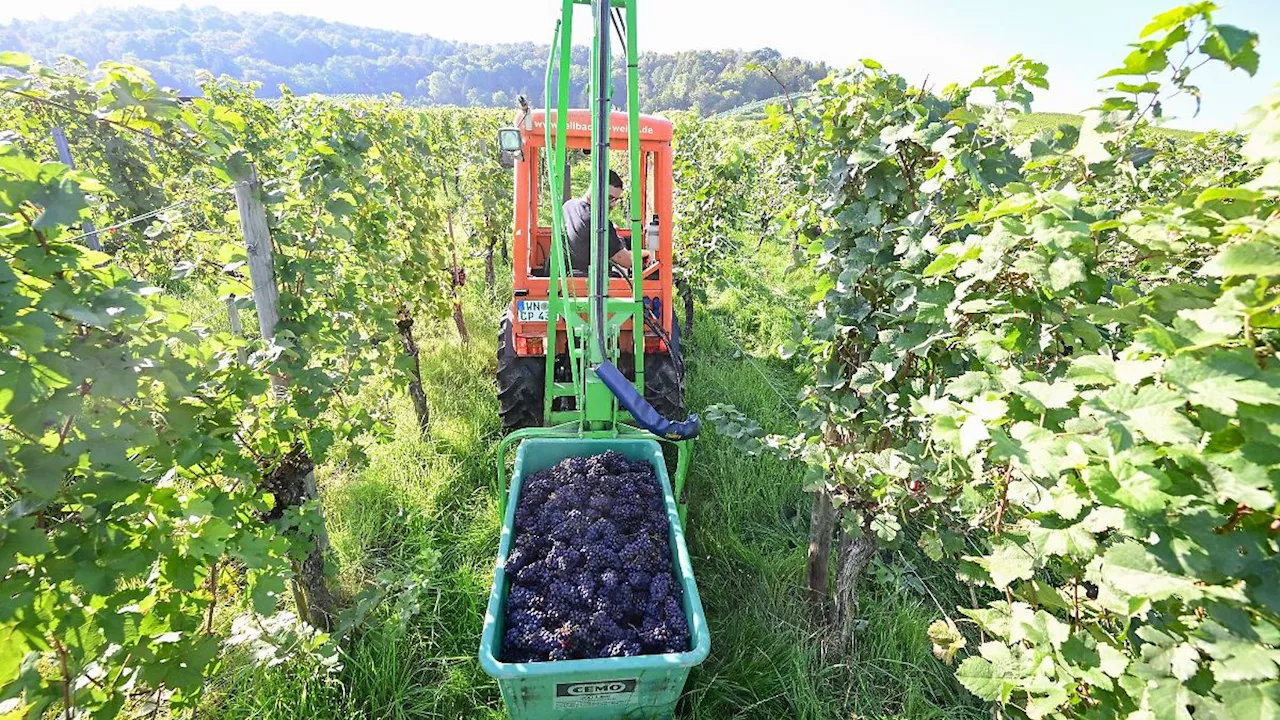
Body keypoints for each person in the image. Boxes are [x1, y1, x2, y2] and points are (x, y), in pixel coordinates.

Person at [562, 170, 650, 273]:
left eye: (616, 200)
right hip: (589, 282)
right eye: (609, 198)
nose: (612, 205)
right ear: (594, 189)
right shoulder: (597, 222)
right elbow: (626, 261)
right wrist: (645, 253)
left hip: (569, 272)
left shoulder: (569, 206)